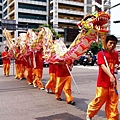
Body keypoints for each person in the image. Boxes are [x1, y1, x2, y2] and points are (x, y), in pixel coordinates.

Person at [86, 35, 119, 120]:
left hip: (112, 82)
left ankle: (113, 118)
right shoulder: (101, 54)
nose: (112, 45)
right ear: (106, 43)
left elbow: (116, 64)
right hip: (103, 82)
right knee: (99, 99)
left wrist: (118, 67)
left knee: (113, 101)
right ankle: (90, 113)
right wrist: (110, 75)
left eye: (114, 44)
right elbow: (103, 66)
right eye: (110, 43)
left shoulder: (115, 54)